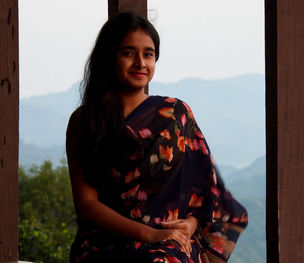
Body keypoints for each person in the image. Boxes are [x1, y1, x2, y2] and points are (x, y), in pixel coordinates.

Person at [66, 12, 248, 263]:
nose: (141, 62)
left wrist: (190, 225)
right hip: (104, 239)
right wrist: (148, 233)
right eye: (128, 53)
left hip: (167, 243)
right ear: (109, 57)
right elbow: (87, 204)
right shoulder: (84, 121)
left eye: (148, 54)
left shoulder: (175, 115)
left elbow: (207, 191)